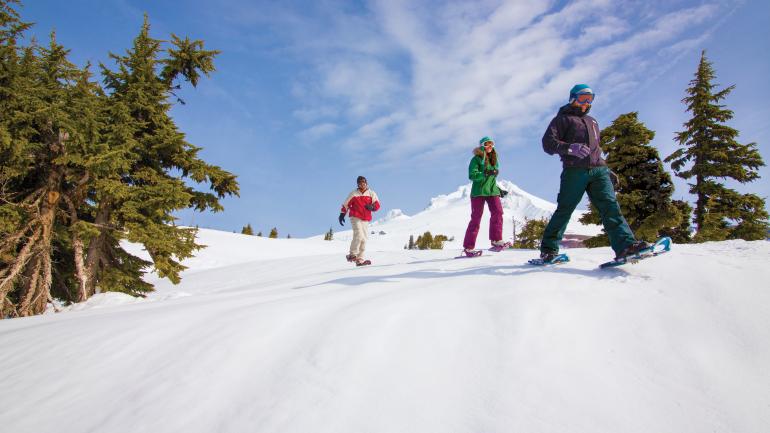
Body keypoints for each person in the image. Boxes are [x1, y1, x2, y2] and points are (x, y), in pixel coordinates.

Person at [539, 84, 649, 263]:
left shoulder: (593, 121)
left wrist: (606, 168)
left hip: (599, 171)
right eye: (583, 98)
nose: (587, 102)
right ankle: (548, 250)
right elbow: (548, 143)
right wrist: (569, 148)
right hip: (575, 171)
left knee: (610, 207)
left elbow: (596, 149)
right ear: (573, 98)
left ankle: (625, 247)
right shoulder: (562, 120)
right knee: (565, 210)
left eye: (590, 99)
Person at [462, 136, 507, 257]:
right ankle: (468, 247)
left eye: (491, 144)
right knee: (476, 218)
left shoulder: (494, 159)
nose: (490, 146)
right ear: (482, 146)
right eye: (487, 144)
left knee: (498, 212)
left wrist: (499, 189)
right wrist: (484, 173)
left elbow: (491, 179)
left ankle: (496, 240)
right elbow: (472, 175)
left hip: (492, 191)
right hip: (478, 192)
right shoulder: (476, 159)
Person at [339, 176, 380, 266]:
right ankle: (352, 254)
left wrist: (372, 207)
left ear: (366, 183)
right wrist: (342, 214)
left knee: (364, 239)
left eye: (363, 182)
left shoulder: (371, 193)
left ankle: (360, 259)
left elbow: (377, 204)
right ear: (358, 184)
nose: (362, 184)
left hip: (365, 218)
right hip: (355, 217)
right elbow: (346, 204)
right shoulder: (354, 194)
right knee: (359, 235)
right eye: (360, 183)